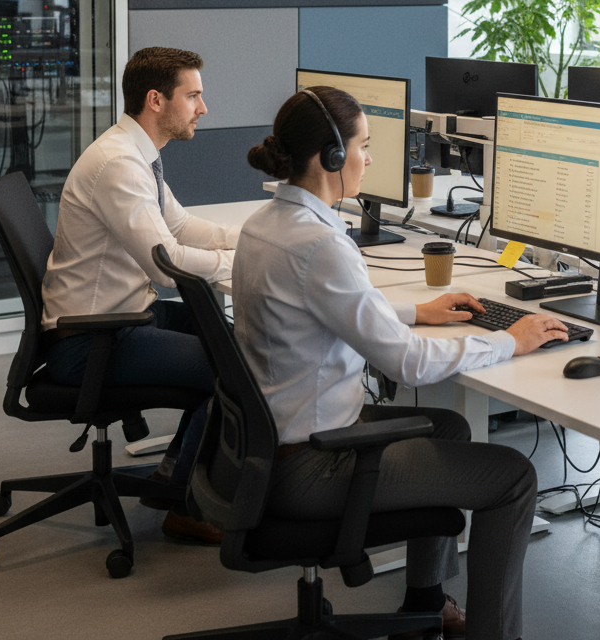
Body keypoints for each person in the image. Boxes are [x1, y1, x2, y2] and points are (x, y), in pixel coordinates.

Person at [233, 85, 570, 640]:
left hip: (269, 445)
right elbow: (408, 364)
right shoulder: (320, 244)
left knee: (450, 426)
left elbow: (326, 306)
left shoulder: (268, 224)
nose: (370, 159)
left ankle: (426, 601)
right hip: (311, 466)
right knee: (512, 478)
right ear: (332, 158)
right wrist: (511, 339)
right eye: (364, 146)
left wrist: (419, 309)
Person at [41, 47, 240, 544]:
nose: (203, 107)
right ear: (156, 100)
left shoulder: (137, 154)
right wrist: (243, 264)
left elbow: (180, 226)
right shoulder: (119, 164)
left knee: (243, 340)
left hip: (123, 317)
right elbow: (166, 264)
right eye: (193, 95)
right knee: (236, 368)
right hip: (90, 340)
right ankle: (189, 505)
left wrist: (251, 240)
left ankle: (173, 477)